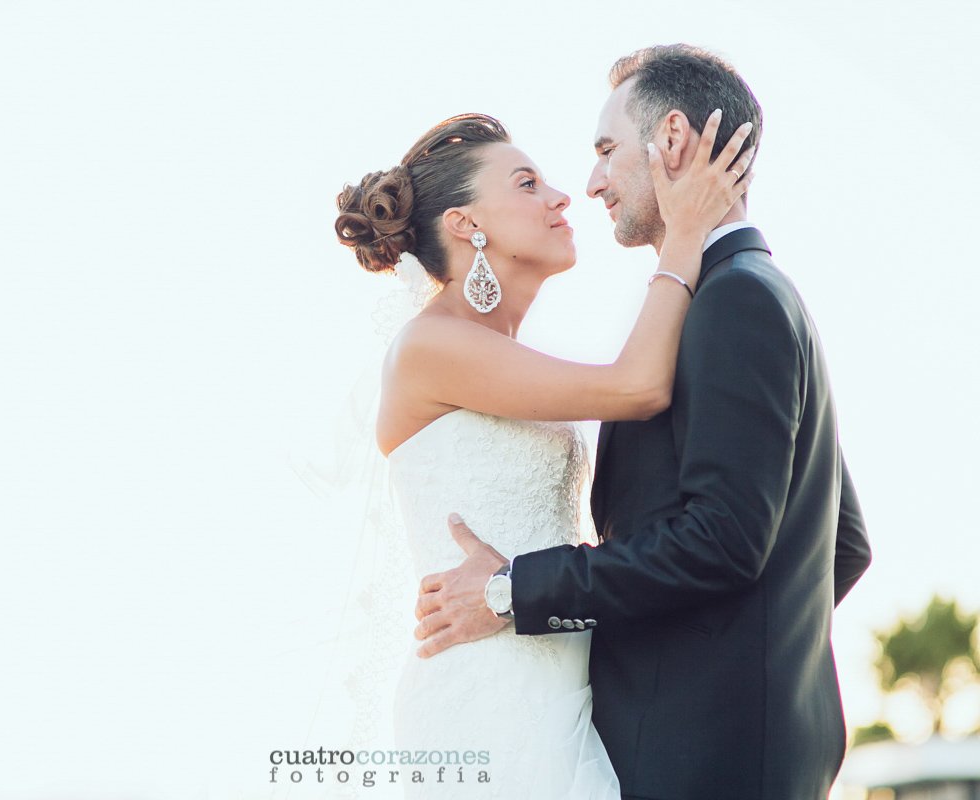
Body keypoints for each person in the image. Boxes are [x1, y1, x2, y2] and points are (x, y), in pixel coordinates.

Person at [413, 45, 872, 799]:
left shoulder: (732, 303)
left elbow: (724, 539)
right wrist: (759, 659)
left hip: (701, 759)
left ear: (674, 142)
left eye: (604, 150)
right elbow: (841, 543)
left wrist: (509, 592)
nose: (589, 182)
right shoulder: (757, 292)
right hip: (739, 748)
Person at [334, 103, 753, 797]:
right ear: (466, 224)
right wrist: (687, 231)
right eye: (526, 184)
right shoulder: (429, 347)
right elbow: (639, 385)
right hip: (490, 699)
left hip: (562, 683)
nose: (562, 196)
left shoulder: (502, 358)